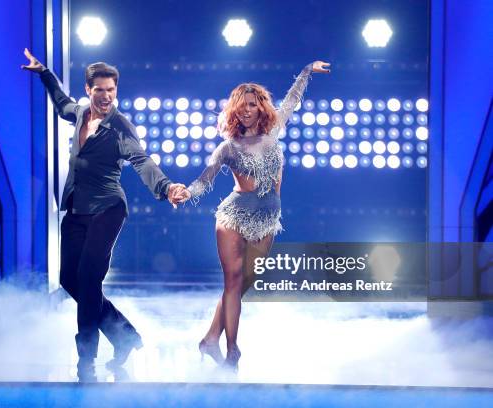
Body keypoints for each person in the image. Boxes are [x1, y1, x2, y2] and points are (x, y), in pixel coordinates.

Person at [21, 48, 187, 381]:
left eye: (112, 90)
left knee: (88, 278)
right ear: (89, 90)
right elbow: (62, 103)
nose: (107, 96)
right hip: (77, 209)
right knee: (70, 278)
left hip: (108, 209)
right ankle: (124, 335)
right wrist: (43, 72)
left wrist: (166, 187)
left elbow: (141, 160)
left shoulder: (120, 126)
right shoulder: (81, 114)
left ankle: (86, 359)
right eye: (100, 90)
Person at [175, 61, 331, 369]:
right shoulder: (228, 147)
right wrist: (186, 193)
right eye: (241, 106)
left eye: (252, 104)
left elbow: (291, 101)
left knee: (243, 283)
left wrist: (305, 72)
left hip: (267, 217)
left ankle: (209, 340)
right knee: (232, 281)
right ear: (234, 110)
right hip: (234, 216)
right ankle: (232, 351)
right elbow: (205, 179)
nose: (246, 110)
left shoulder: (274, 132)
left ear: (261, 108)